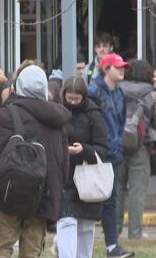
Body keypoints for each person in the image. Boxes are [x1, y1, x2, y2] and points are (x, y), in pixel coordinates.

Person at [0, 65, 70, 258]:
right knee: (31, 252)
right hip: (42, 196)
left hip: (8, 194)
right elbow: (62, 163)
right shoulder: (57, 120)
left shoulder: (9, 113)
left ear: (18, 86)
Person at [88, 53, 134, 258]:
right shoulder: (93, 91)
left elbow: (121, 122)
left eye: (123, 66)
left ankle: (112, 246)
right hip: (97, 153)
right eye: (118, 67)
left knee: (111, 199)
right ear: (106, 69)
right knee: (89, 198)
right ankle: (75, 244)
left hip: (114, 154)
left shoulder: (119, 93)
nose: (122, 69)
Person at [56, 76, 108, 258]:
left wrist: (84, 150)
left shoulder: (93, 114)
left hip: (87, 178)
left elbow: (102, 148)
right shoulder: (57, 111)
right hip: (64, 176)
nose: (72, 102)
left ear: (84, 97)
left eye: (76, 99)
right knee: (66, 220)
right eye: (69, 98)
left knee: (86, 225)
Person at [116, 59, 156, 239]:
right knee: (137, 191)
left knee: (118, 188)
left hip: (118, 145)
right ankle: (135, 233)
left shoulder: (118, 89)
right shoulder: (152, 94)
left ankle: (114, 232)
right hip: (141, 146)